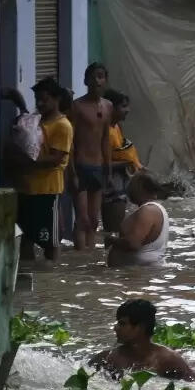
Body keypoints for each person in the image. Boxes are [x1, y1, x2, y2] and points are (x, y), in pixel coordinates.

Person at [18, 78, 74, 263]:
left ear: (56, 99)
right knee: (26, 237)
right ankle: (31, 278)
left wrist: (27, 163)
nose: (40, 103)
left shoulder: (63, 125)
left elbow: (56, 158)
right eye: (37, 99)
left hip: (47, 191)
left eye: (44, 99)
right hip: (27, 189)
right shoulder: (35, 121)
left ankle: (52, 280)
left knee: (50, 241)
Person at [89, 299, 195, 382]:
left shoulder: (167, 360)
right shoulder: (107, 358)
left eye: (122, 323)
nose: (115, 328)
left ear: (140, 327)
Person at [70, 63, 114, 251]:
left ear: (105, 80)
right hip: (80, 166)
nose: (97, 80)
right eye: (94, 76)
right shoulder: (77, 106)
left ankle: (89, 258)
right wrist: (71, 172)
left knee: (94, 220)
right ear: (86, 80)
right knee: (83, 219)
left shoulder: (108, 106)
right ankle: (79, 258)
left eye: (101, 76)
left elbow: (106, 139)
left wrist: (108, 168)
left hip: (98, 167)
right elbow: (70, 141)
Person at [107, 173, 170, 267]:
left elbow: (133, 244)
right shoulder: (156, 209)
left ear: (140, 188)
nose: (129, 190)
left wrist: (111, 240)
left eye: (132, 186)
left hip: (137, 273)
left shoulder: (147, 211)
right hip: (141, 271)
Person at [102, 90, 142, 235]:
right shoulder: (106, 130)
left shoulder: (116, 127)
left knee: (116, 230)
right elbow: (101, 162)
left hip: (119, 182)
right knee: (113, 230)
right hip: (110, 184)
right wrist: (127, 163)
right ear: (111, 108)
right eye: (123, 106)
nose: (128, 110)